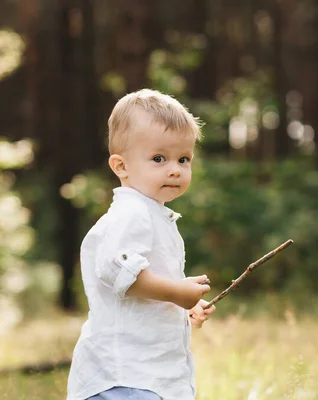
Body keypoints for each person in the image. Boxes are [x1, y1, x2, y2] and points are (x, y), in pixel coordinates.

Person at [67, 89, 216, 400]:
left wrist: (181, 309)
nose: (175, 168)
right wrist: (176, 293)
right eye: (159, 158)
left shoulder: (150, 213)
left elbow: (140, 297)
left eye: (183, 159)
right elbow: (117, 269)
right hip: (125, 377)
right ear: (121, 166)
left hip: (143, 376)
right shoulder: (132, 212)